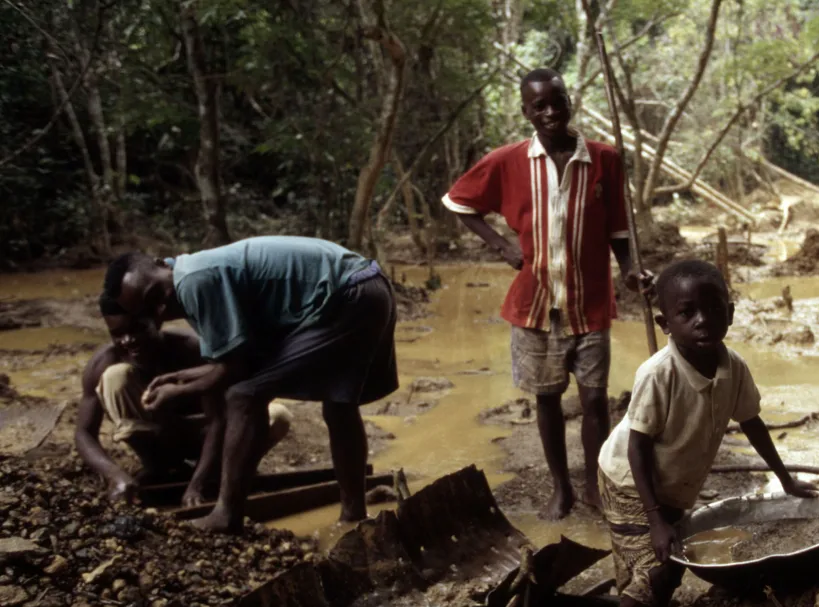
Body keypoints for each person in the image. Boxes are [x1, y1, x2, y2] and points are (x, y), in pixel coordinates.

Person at [442, 68, 648, 520]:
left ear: (569, 102)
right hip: (534, 306)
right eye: (540, 106)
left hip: (589, 302)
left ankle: (595, 484)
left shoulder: (604, 159)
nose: (551, 111)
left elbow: (618, 227)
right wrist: (500, 245)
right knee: (547, 397)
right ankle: (561, 487)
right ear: (526, 112)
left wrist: (631, 269)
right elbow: (459, 201)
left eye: (558, 101)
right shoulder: (508, 160)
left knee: (594, 399)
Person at [592, 260, 815, 607]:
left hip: (675, 483)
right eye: (687, 312)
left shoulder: (734, 368)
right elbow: (638, 447)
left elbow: (752, 423)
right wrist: (655, 518)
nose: (702, 321)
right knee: (658, 562)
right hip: (629, 479)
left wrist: (787, 480)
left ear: (729, 313)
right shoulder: (658, 373)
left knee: (680, 553)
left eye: (714, 309)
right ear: (665, 322)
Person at [102, 236, 397, 532]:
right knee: (338, 407)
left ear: (161, 264)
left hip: (350, 295)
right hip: (368, 287)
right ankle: (354, 517)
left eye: (157, 294)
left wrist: (178, 390)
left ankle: (226, 514)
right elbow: (236, 360)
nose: (161, 308)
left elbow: (235, 371)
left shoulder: (193, 281)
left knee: (244, 396)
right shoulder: (190, 274)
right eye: (149, 308)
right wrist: (182, 378)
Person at [75, 307, 291, 504]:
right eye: (118, 334)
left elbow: (219, 421)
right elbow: (84, 433)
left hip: (207, 435)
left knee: (278, 415)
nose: (129, 340)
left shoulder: (190, 349)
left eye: (138, 329)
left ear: (156, 322)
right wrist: (116, 475)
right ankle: (158, 466)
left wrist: (198, 483)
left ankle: (223, 469)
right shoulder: (104, 361)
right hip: (158, 438)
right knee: (115, 376)